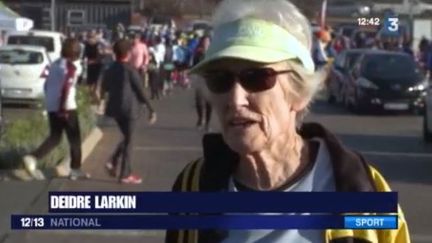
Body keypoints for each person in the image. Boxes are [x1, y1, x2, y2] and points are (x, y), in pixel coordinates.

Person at [165, 0, 410, 242]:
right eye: (220, 79)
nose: (235, 99)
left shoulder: (362, 188)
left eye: (257, 77)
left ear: (299, 93)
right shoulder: (194, 186)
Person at [23, 38, 89, 181]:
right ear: (76, 52)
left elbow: (47, 84)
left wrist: (51, 102)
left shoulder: (54, 64)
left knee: (55, 137)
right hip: (66, 107)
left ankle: (33, 157)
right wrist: (63, 108)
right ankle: (75, 170)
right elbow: (67, 86)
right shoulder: (71, 67)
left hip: (52, 105)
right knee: (75, 140)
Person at [99, 39, 157, 184]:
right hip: (129, 108)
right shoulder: (130, 70)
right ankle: (125, 174)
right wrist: (151, 109)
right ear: (129, 53)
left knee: (127, 137)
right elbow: (140, 90)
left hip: (115, 108)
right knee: (129, 141)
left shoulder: (110, 68)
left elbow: (104, 87)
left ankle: (113, 162)